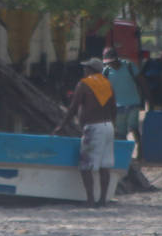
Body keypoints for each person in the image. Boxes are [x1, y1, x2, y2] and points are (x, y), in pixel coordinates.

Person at [53, 58, 117, 206]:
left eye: (86, 68)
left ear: (90, 70)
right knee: (104, 166)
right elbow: (114, 108)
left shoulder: (84, 84)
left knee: (86, 166)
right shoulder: (108, 84)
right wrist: (113, 125)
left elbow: (73, 108)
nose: (84, 70)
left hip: (94, 128)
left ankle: (90, 200)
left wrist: (62, 126)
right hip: (108, 127)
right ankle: (102, 199)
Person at [102, 46, 147, 159]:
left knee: (134, 128)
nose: (111, 64)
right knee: (121, 133)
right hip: (118, 106)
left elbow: (141, 81)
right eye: (109, 63)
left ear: (117, 58)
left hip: (133, 103)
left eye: (112, 62)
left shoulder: (129, 66)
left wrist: (146, 99)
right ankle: (125, 155)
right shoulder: (106, 71)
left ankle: (140, 152)